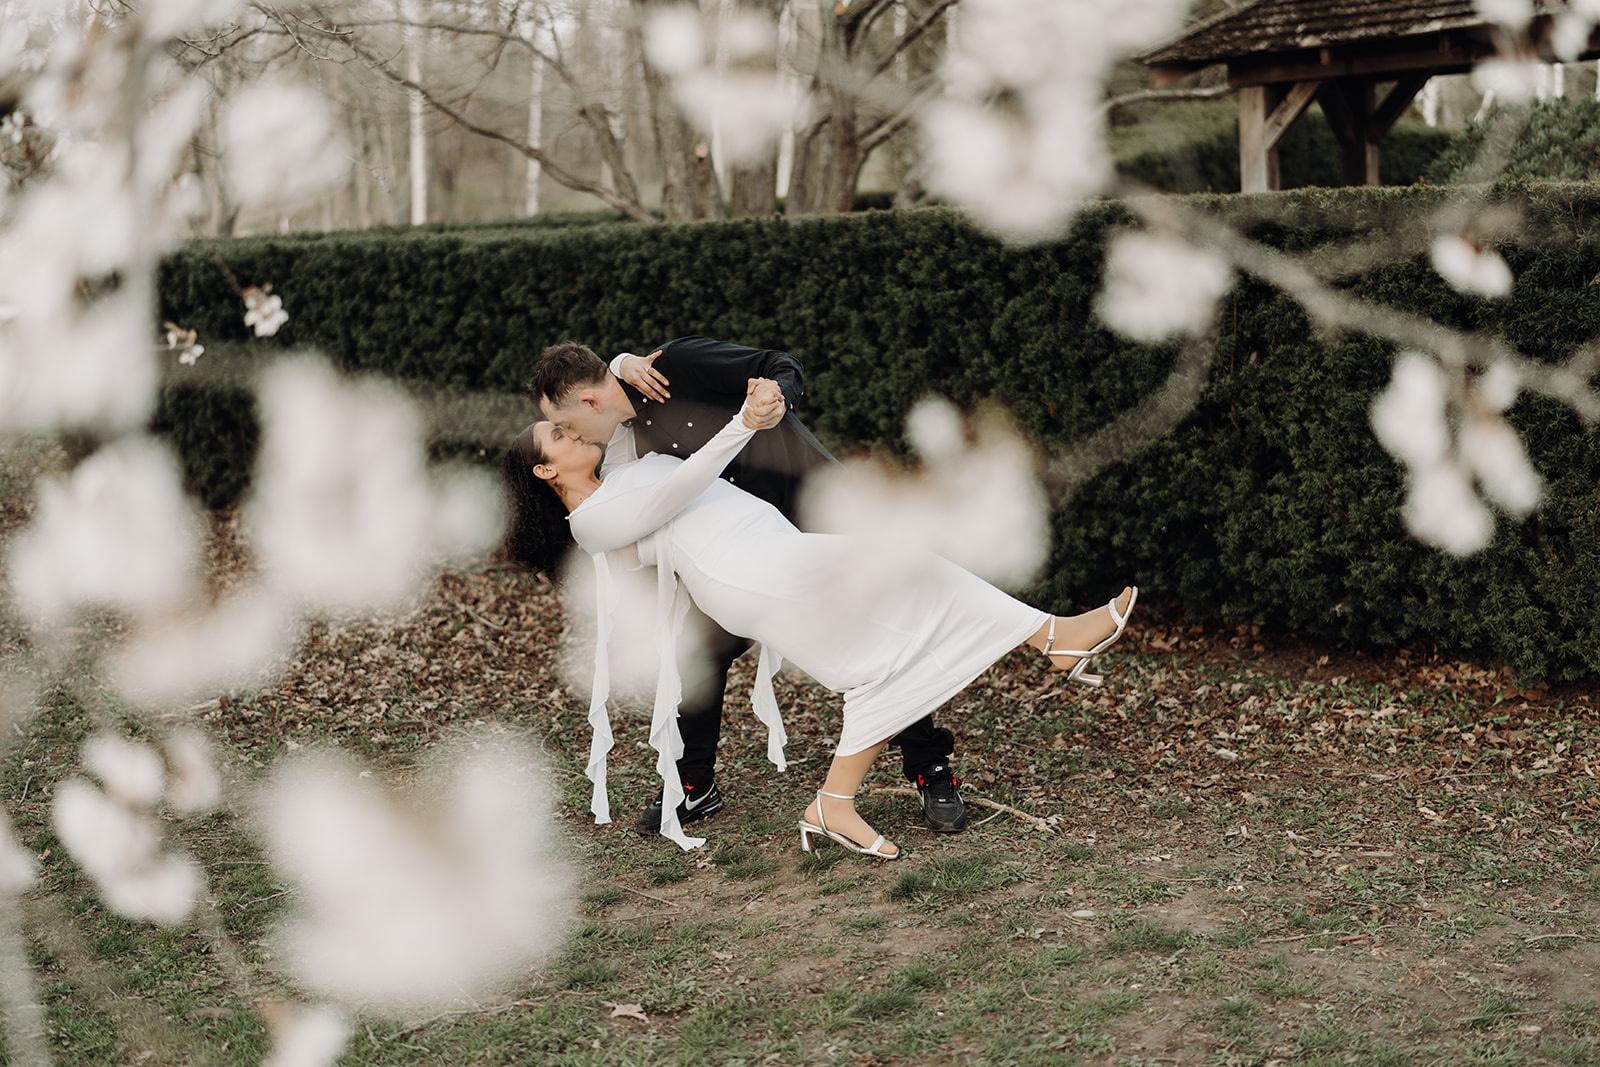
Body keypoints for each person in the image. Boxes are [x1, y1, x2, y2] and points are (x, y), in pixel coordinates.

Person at [501, 379, 1138, 857]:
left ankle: (834, 804)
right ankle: (1054, 635)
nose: (569, 429)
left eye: (563, 422)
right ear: (546, 470)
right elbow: (684, 485)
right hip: (750, 574)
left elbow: (611, 405)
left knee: (877, 663)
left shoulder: (617, 466)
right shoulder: (589, 522)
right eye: (555, 436)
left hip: (771, 556)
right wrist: (744, 424)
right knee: (907, 574)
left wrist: (615, 365)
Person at [527, 337, 975, 837]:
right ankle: (694, 785)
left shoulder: (676, 366)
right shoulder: (621, 441)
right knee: (696, 653)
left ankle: (929, 767)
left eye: (566, 424)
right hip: (738, 557)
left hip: (814, 512)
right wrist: (618, 362)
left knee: (874, 638)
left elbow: (781, 364)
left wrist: (775, 393)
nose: (567, 433)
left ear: (588, 402)